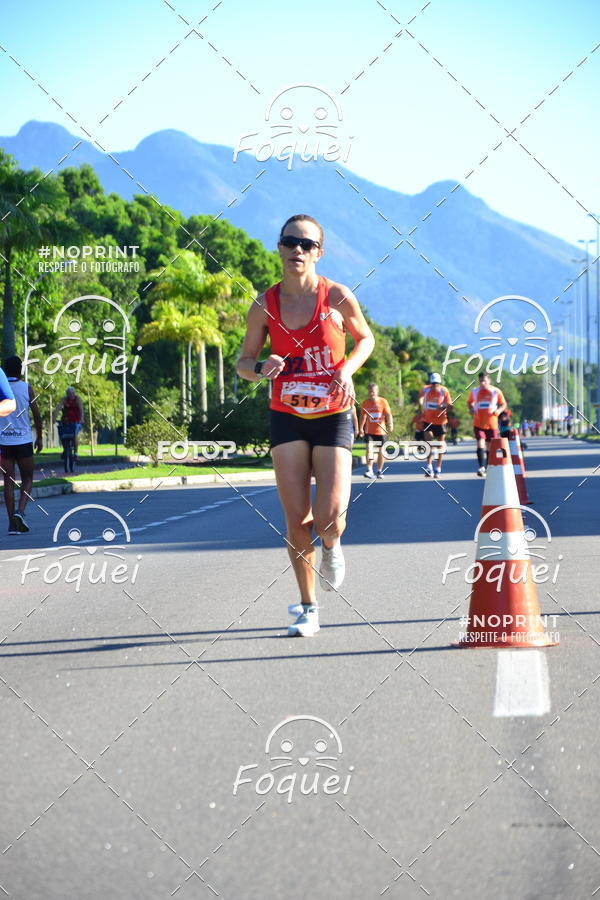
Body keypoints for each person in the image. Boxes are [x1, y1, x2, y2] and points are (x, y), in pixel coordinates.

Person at [237, 214, 374, 637]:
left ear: (320, 252)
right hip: (287, 416)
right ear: (279, 247)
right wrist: (262, 367)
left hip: (333, 414)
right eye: (290, 242)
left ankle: (331, 544)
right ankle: (308, 606)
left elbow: (365, 338)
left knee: (330, 517)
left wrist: (348, 368)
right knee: (297, 518)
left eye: (307, 244)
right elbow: (243, 364)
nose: (298, 250)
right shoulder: (264, 305)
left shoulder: (336, 296)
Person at [0, 357, 42, 534]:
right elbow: (37, 415)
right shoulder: (27, 388)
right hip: (23, 440)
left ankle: (11, 524)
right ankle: (20, 511)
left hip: (3, 441)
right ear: (20, 370)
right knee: (28, 478)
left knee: (8, 482)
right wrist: (39, 437)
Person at [467, 372, 506, 477]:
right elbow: (469, 402)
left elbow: (503, 404)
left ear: (489, 380)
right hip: (478, 422)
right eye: (480, 381)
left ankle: (489, 467)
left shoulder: (496, 391)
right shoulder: (474, 392)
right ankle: (481, 467)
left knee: (490, 447)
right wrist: (471, 410)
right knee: (480, 443)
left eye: (484, 381)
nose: (483, 383)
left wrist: (498, 411)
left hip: (492, 423)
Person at [418, 372, 451, 479]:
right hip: (428, 420)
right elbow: (420, 398)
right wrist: (420, 405)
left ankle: (438, 468)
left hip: (441, 421)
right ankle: (429, 467)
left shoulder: (444, 391)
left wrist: (442, 406)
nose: (434, 386)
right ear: (430, 383)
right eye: (433, 383)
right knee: (429, 443)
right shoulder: (425, 389)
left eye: (436, 383)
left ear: (439, 383)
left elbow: (450, 406)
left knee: (440, 445)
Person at [359, 382, 393, 479]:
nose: (371, 393)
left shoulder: (383, 401)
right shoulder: (365, 403)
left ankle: (379, 470)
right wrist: (361, 428)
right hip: (369, 431)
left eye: (373, 391)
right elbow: (363, 416)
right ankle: (369, 470)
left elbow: (388, 414)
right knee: (369, 449)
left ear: (377, 391)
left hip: (381, 431)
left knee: (381, 451)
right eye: (370, 391)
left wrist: (390, 424)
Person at [54, 387, 84, 457]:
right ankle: (65, 449)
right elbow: (57, 408)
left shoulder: (77, 399)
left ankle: (76, 453)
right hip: (66, 421)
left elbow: (81, 409)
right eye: (69, 393)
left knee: (74, 435)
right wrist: (54, 418)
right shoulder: (64, 399)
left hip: (76, 421)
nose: (71, 395)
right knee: (61, 432)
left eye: (73, 393)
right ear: (67, 394)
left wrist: (82, 419)